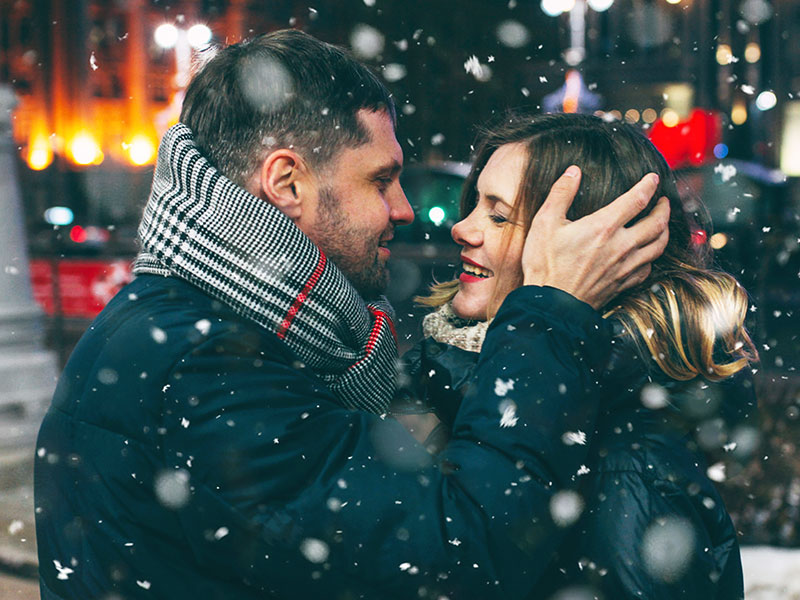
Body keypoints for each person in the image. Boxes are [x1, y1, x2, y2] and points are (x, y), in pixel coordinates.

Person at [34, 31, 669, 599]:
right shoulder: (204, 368)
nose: (405, 209)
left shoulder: (219, 323)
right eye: (380, 179)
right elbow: (460, 553)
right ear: (287, 183)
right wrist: (552, 311)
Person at [395, 112, 758, 599]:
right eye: (474, 205)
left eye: (499, 215)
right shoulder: (461, 377)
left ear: (593, 245)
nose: (462, 228)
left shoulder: (624, 472)